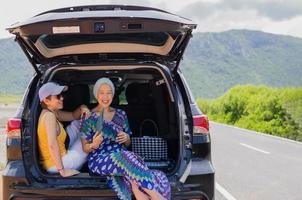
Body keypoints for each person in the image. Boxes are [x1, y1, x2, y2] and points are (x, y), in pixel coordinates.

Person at [80, 78, 171, 200]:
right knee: (128, 158)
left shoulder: (121, 114)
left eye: (109, 92)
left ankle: (137, 191)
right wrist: (93, 145)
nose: (105, 97)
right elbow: (85, 148)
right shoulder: (88, 117)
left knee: (158, 175)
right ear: (96, 94)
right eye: (102, 92)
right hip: (99, 159)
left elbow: (127, 144)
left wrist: (127, 138)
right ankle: (155, 195)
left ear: (113, 94)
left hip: (122, 156)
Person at [37, 82, 89, 177]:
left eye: (61, 95)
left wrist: (82, 108)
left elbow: (73, 116)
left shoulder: (51, 112)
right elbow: (52, 144)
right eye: (57, 96)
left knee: (78, 122)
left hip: (58, 157)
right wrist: (62, 171)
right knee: (90, 137)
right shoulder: (49, 116)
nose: (62, 98)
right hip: (58, 164)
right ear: (46, 100)